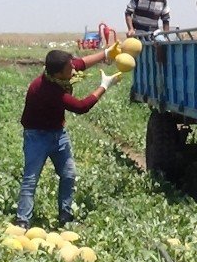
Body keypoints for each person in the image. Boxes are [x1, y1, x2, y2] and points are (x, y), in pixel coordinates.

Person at [14, 47, 123, 229]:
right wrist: (104, 86)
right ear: (58, 72)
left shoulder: (57, 74)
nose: (74, 70)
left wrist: (106, 53)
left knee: (69, 174)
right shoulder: (48, 90)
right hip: (37, 136)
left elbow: (81, 63)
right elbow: (81, 107)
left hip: (58, 134)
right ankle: (22, 221)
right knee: (30, 179)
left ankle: (65, 216)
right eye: (69, 68)